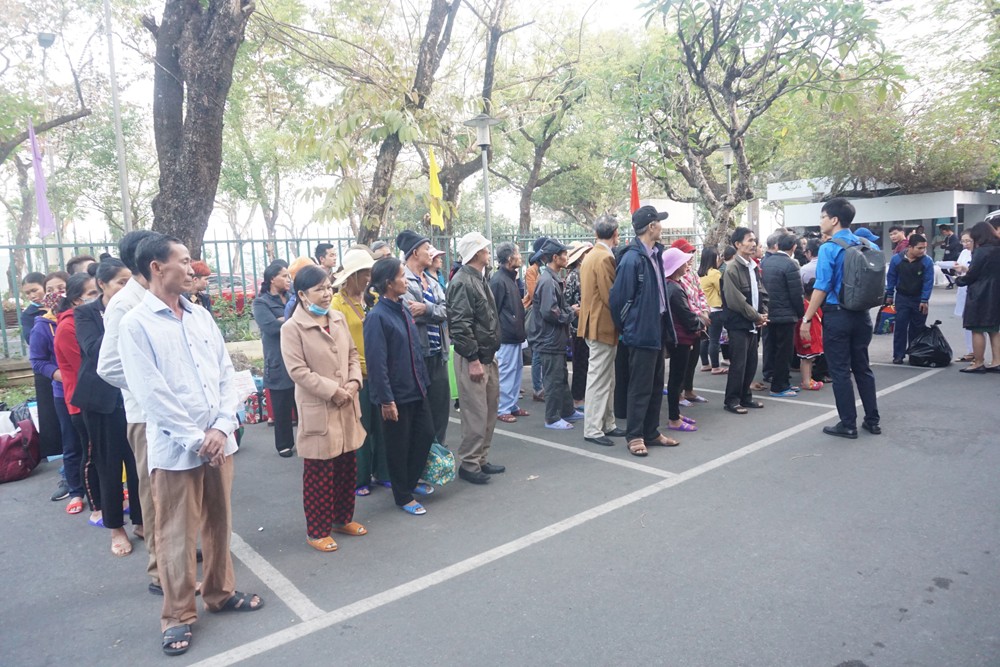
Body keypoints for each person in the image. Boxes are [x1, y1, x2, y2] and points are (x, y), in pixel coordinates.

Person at [119, 235, 263, 656]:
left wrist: (221, 427)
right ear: (156, 267)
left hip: (218, 443)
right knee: (176, 534)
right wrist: (198, 439)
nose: (192, 267)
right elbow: (152, 395)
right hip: (176, 448)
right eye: (183, 261)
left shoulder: (200, 317)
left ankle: (219, 592)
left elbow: (224, 374)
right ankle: (177, 615)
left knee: (219, 522)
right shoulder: (136, 324)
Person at [97, 229, 167, 596]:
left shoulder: (161, 298)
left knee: (174, 493)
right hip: (146, 415)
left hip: (172, 413)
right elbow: (107, 366)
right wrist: (154, 387)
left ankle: (174, 553)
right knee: (154, 494)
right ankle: (160, 571)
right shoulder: (126, 305)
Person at [280, 265, 367, 549]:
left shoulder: (338, 318)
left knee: (346, 466)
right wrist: (333, 392)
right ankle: (317, 531)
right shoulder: (292, 328)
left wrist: (354, 383)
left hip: (347, 403)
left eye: (328, 287)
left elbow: (353, 354)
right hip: (320, 406)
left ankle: (343, 519)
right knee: (320, 472)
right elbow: (298, 371)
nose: (327, 293)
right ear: (303, 295)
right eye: (319, 289)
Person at [74, 259, 144, 557]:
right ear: (102, 285)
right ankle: (115, 528)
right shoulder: (86, 313)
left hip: (133, 398)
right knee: (109, 465)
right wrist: (120, 324)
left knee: (139, 464)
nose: (127, 288)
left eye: (130, 281)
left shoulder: (137, 307)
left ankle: (142, 522)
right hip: (101, 401)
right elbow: (93, 350)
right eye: (120, 282)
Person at [801, 198, 880, 439]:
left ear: (834, 220)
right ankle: (872, 420)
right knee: (862, 368)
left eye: (823, 217)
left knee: (840, 371)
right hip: (862, 315)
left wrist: (807, 318)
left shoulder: (829, 247)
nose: (821, 221)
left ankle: (848, 424)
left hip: (838, 315)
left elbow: (822, 286)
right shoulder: (866, 244)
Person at [364, 258, 437, 513]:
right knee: (398, 445)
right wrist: (386, 399)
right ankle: (403, 496)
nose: (406, 280)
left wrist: (423, 383)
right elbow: (377, 362)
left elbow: (414, 349)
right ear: (388, 283)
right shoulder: (377, 317)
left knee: (426, 433)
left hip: (416, 387)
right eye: (401, 277)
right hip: (395, 394)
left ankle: (409, 480)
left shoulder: (403, 308)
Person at [609, 205, 679, 456]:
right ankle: (635, 435)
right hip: (640, 331)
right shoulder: (632, 258)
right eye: (659, 222)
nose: (661, 226)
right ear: (651, 227)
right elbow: (618, 300)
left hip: (656, 327)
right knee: (639, 386)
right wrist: (630, 326)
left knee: (655, 383)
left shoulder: (655, 254)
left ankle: (651, 431)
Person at [330, 248, 389, 495]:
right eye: (364, 273)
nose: (368, 278)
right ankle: (360, 478)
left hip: (378, 370)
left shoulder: (371, 299)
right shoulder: (337, 304)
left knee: (383, 425)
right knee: (361, 426)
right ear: (352, 276)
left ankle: (384, 472)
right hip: (357, 374)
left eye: (369, 272)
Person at [447, 232, 503, 484]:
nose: (488, 253)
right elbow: (460, 324)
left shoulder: (477, 278)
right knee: (476, 414)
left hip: (485, 355)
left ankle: (480, 458)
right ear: (476, 253)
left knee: (489, 411)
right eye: (485, 249)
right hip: (475, 357)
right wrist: (472, 359)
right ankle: (470, 463)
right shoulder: (462, 281)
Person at [49, 273, 99, 519]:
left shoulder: (87, 320)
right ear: (77, 300)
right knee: (87, 455)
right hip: (83, 401)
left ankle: (101, 497)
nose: (98, 298)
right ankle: (92, 503)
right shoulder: (68, 327)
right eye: (92, 294)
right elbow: (87, 366)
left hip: (99, 399)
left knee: (101, 453)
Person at [396, 230, 451, 446]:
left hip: (439, 354)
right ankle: (420, 460)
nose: (431, 253)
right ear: (415, 252)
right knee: (419, 412)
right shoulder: (403, 281)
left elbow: (448, 311)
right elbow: (409, 312)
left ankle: (437, 457)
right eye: (427, 249)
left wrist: (427, 309)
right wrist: (434, 311)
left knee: (440, 408)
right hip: (417, 357)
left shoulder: (433, 281)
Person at [30, 276, 80, 505]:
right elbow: (38, 360)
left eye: (61, 288)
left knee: (95, 442)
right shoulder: (43, 325)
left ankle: (101, 488)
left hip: (92, 388)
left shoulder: (85, 316)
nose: (56, 293)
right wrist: (60, 374)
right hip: (64, 392)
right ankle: (75, 489)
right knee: (71, 442)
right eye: (50, 289)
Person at [528, 238, 584, 430]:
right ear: (555, 257)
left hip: (555, 339)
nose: (567, 257)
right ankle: (551, 418)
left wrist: (569, 310)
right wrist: (571, 313)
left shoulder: (553, 278)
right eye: (564, 254)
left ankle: (567, 410)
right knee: (552, 379)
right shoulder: (547, 281)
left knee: (560, 376)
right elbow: (549, 311)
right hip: (549, 339)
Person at [579, 216, 625, 447]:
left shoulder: (591, 255)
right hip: (602, 324)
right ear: (615, 233)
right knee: (600, 379)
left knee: (607, 378)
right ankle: (594, 428)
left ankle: (607, 423)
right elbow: (611, 297)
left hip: (593, 323)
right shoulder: (605, 256)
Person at [721, 227, 769, 415]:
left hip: (753, 322)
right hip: (739, 323)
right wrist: (756, 316)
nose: (753, 244)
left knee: (750, 362)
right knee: (738, 363)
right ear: (737, 244)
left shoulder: (753, 266)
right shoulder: (732, 268)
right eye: (749, 240)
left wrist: (763, 313)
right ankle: (731, 400)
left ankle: (745, 396)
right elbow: (735, 300)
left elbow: (761, 292)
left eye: (754, 240)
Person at [252, 261, 296, 457]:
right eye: (284, 276)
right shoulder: (261, 302)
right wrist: (291, 321)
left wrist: (284, 320)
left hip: (298, 356)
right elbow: (271, 327)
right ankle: (284, 444)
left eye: (289, 276)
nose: (289, 279)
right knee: (282, 406)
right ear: (272, 279)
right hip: (278, 360)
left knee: (303, 404)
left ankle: (306, 441)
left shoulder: (292, 297)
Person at [663, 247, 703, 434]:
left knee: (676, 379)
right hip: (680, 338)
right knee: (676, 379)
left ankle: (676, 414)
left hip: (679, 337)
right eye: (684, 262)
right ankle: (673, 418)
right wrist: (700, 323)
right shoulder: (674, 288)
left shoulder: (672, 285)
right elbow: (686, 316)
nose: (687, 264)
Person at [490, 242, 530, 424]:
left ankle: (511, 404)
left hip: (515, 334)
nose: (520, 257)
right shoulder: (498, 280)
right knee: (506, 372)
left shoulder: (510, 278)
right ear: (509, 259)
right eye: (517, 253)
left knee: (515, 372)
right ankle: (503, 408)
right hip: (506, 336)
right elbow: (493, 311)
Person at [760, 233, 804, 397]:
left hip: (768, 314)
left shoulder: (767, 262)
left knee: (772, 349)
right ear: (794, 247)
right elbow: (796, 294)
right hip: (785, 315)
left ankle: (780, 381)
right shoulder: (790, 264)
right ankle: (780, 386)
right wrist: (801, 314)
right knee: (784, 352)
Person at [670, 238, 710, 406]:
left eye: (692, 253)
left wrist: (704, 312)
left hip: (698, 320)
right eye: (687, 253)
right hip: (687, 323)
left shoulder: (692, 273)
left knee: (693, 359)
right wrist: (698, 317)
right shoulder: (675, 277)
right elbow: (684, 303)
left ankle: (689, 390)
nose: (691, 256)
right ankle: (678, 395)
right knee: (680, 363)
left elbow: (700, 294)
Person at [955, 221, 1000, 373]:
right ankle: (997, 361)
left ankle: (978, 362)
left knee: (977, 328)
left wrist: (959, 280)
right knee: (994, 329)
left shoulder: (981, 252)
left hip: (981, 294)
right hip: (996, 293)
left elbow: (973, 274)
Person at [885, 234, 934, 364]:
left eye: (924, 248)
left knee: (917, 328)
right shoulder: (897, 260)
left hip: (919, 299)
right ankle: (898, 355)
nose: (922, 251)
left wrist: (924, 300)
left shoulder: (927, 261)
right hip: (902, 298)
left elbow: (928, 282)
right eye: (919, 248)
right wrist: (889, 295)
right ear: (910, 247)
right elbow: (891, 278)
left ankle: (915, 354)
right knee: (900, 326)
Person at [564, 241, 593, 411]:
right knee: (580, 362)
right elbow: (567, 301)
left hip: (588, 323)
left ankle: (582, 395)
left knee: (587, 362)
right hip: (578, 325)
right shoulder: (574, 275)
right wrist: (576, 310)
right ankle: (577, 398)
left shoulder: (585, 273)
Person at [523, 236, 549, 402]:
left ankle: (540, 387)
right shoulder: (532, 270)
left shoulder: (539, 271)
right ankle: (537, 389)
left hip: (540, 314)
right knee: (538, 352)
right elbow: (534, 294)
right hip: (536, 314)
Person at [697, 247, 726, 375]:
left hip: (704, 310)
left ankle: (705, 364)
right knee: (714, 339)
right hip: (716, 309)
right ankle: (715, 366)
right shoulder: (714, 273)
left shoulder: (700, 272)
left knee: (705, 339)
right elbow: (722, 289)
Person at [794, 279, 825, 391]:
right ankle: (806, 381)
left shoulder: (811, 305)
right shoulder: (805, 306)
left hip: (814, 337)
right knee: (806, 360)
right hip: (807, 338)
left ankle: (808, 379)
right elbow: (800, 326)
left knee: (809, 359)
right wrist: (805, 341)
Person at [952, 231, 975, 361]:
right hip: (963, 288)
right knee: (966, 321)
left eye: (968, 241)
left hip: (976, 291)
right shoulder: (964, 253)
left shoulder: (980, 253)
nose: (965, 244)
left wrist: (965, 269)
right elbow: (959, 267)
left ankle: (979, 354)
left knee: (979, 324)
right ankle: (970, 351)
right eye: (963, 241)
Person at [19, 272, 46, 345]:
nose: (32, 296)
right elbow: (30, 339)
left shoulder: (62, 305)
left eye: (34, 290)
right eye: (27, 293)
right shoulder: (27, 315)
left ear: (45, 286)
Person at [935, 224, 963, 289]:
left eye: (944, 232)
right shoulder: (947, 238)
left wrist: (945, 246)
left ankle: (952, 282)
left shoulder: (954, 237)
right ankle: (952, 280)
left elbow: (951, 246)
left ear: (948, 230)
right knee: (943, 268)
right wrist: (945, 246)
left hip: (953, 256)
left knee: (952, 270)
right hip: (947, 256)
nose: (943, 233)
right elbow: (943, 246)